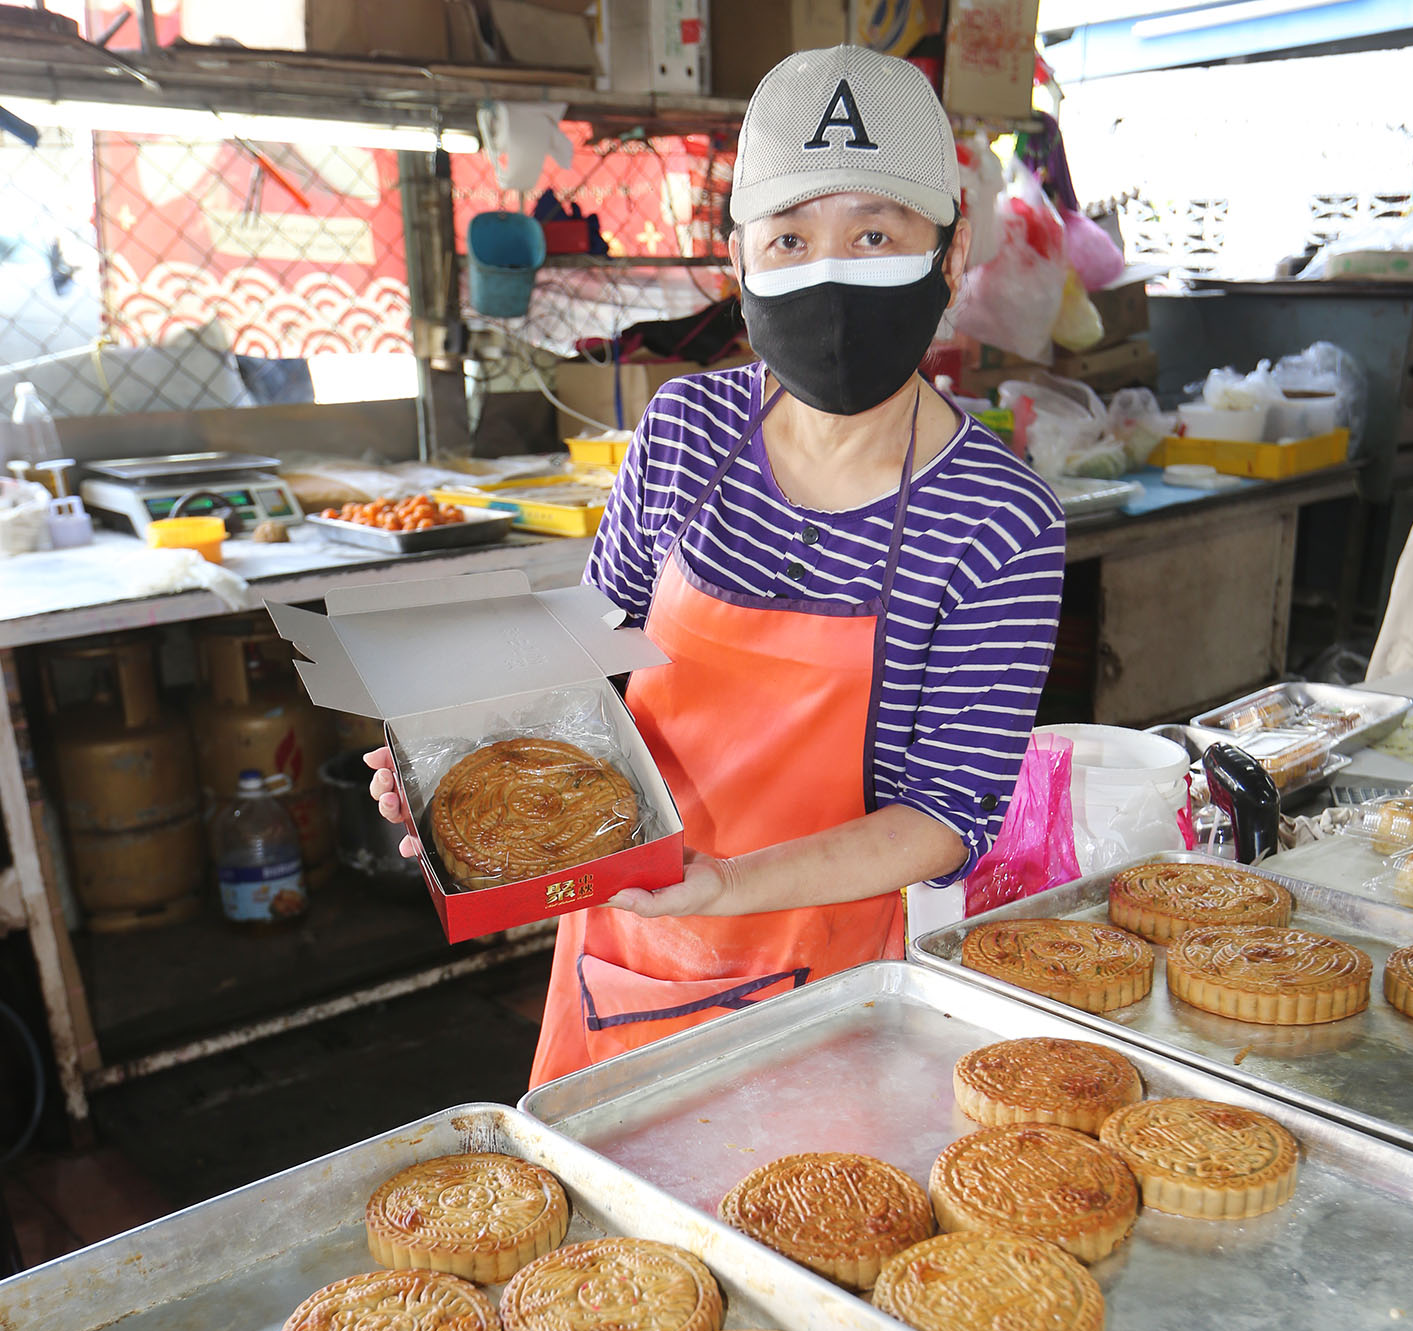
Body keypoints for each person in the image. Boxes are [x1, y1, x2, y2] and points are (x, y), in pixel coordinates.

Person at [370, 44, 1066, 1085]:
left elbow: (941, 818)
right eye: (789, 236)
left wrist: (723, 882)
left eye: (874, 232)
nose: (828, 271)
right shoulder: (687, 428)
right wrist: (463, 771)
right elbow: (589, 647)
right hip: (629, 938)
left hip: (830, 969)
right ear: (740, 265)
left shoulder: (999, 517)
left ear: (951, 253)